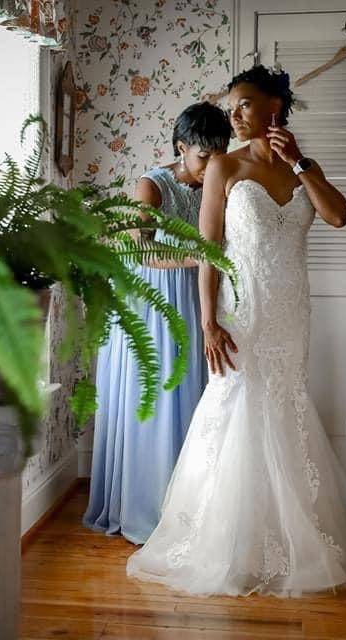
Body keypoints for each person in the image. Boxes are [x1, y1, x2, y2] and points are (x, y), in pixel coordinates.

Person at [126, 65, 346, 597]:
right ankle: (229, 543)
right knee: (234, 406)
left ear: (273, 109)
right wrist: (207, 320)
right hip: (243, 311)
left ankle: (292, 539)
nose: (234, 115)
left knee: (284, 405)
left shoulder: (302, 167)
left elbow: (338, 216)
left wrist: (301, 164)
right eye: (232, 106)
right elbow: (209, 249)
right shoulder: (222, 165)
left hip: (292, 310)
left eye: (243, 104)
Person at [83, 102, 232, 545]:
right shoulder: (151, 186)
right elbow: (139, 252)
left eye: (219, 154)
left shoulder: (218, 181)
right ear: (181, 147)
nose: (212, 165)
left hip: (192, 299)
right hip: (151, 302)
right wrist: (198, 256)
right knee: (159, 398)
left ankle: (192, 509)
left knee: (196, 398)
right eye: (204, 156)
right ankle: (149, 508)